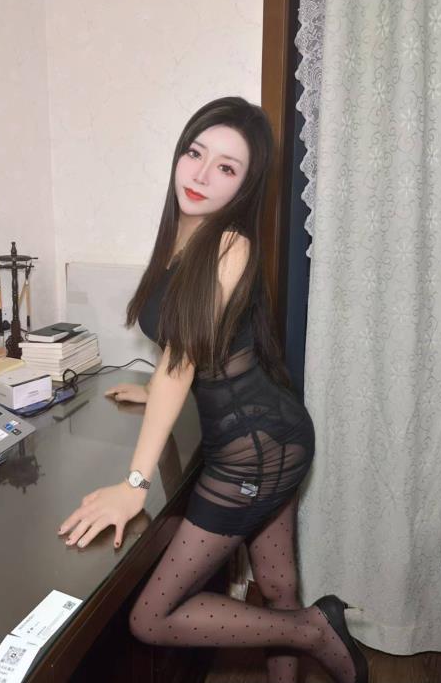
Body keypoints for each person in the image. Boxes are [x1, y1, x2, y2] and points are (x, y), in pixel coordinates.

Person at [58, 97, 368, 683]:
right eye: (194, 153)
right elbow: (196, 350)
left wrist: (133, 485)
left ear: (245, 185)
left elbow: (180, 364)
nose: (200, 174)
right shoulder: (185, 236)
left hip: (255, 447)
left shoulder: (230, 244)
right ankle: (306, 627)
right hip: (271, 431)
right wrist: (152, 390)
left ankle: (314, 630)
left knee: (151, 618)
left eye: (226, 167)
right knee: (277, 585)